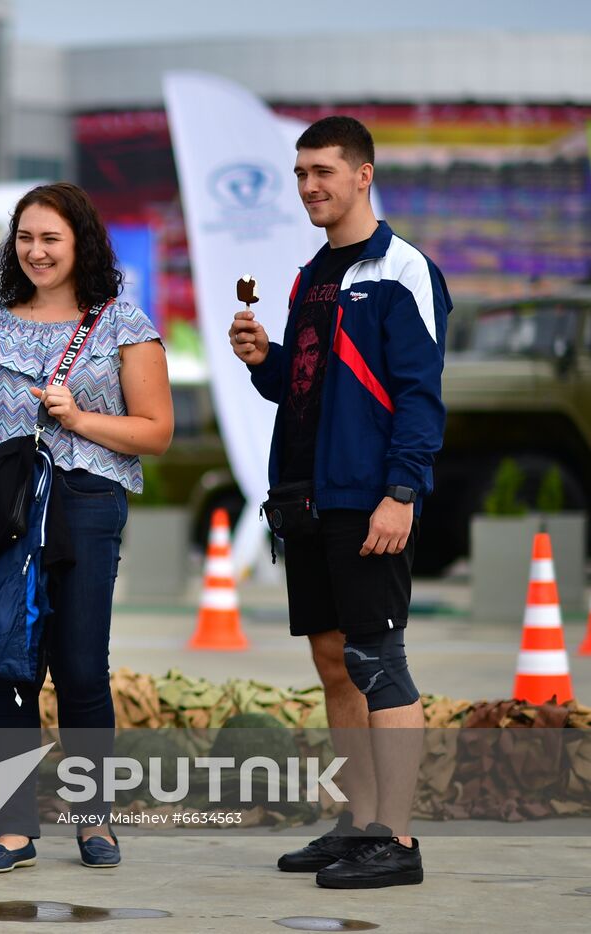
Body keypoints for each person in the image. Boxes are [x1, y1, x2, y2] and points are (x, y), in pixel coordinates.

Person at [229, 116, 450, 889]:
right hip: (306, 498)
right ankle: (358, 824)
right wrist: (267, 362)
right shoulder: (311, 275)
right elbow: (312, 386)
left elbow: (421, 396)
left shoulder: (402, 270)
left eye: (323, 171)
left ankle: (399, 841)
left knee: (377, 660)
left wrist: (401, 493)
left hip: (368, 498)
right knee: (334, 664)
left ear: (363, 174)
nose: (309, 186)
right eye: (300, 173)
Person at [0, 182, 173, 872]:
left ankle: (96, 825)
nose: (36, 252)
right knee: (7, 670)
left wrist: (80, 419)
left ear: (81, 245)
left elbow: (156, 432)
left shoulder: (124, 324)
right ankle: (13, 831)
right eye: (26, 238)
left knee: (80, 670)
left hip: (87, 506)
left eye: (51, 239)